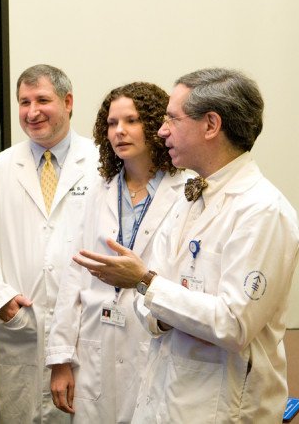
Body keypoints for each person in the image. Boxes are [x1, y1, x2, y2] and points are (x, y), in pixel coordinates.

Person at [72, 68, 299, 422]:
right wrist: (155, 295)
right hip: (166, 398)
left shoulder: (262, 211)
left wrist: (145, 283)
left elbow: (233, 324)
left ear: (211, 125)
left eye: (172, 119)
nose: (161, 130)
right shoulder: (191, 197)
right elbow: (152, 312)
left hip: (223, 407)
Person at [46, 82, 186, 423]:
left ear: (156, 125)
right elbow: (73, 275)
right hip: (96, 342)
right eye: (111, 123)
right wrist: (61, 357)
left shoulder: (185, 192)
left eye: (132, 121)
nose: (119, 131)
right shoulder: (97, 193)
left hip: (154, 338)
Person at [0, 64, 99, 423]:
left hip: (83, 327)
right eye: (24, 102)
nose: (32, 112)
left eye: (43, 100)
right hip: (20, 328)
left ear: (68, 101)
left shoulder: (100, 165)